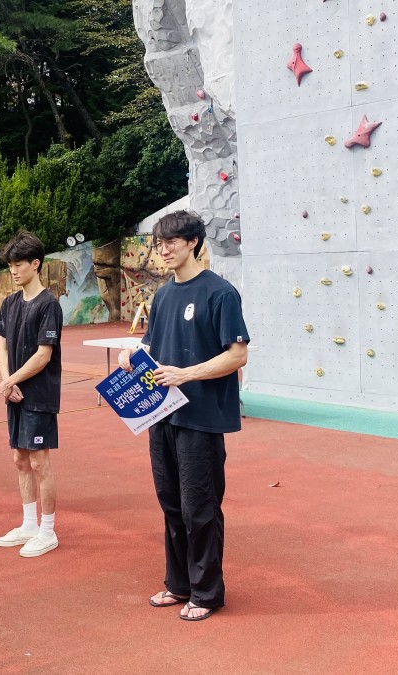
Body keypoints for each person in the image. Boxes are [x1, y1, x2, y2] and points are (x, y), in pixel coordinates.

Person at [117, 211, 249, 622]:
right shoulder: (162, 295)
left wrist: (186, 374)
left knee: (200, 507)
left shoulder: (220, 293)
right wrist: (130, 356)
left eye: (172, 241)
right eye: (159, 243)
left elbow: (237, 355)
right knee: (171, 504)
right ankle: (179, 584)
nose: (164, 249)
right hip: (162, 415)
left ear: (193, 242)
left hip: (202, 418)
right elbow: (152, 346)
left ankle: (206, 593)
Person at [0, 231, 64, 558]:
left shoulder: (49, 305)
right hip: (15, 393)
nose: (13, 270)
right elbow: (3, 346)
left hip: (39, 395)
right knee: (19, 459)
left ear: (35, 264)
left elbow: (43, 355)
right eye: (10, 265)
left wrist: (11, 381)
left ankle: (48, 531)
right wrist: (7, 382)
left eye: (19, 264)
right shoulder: (9, 304)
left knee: (39, 462)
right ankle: (29, 524)